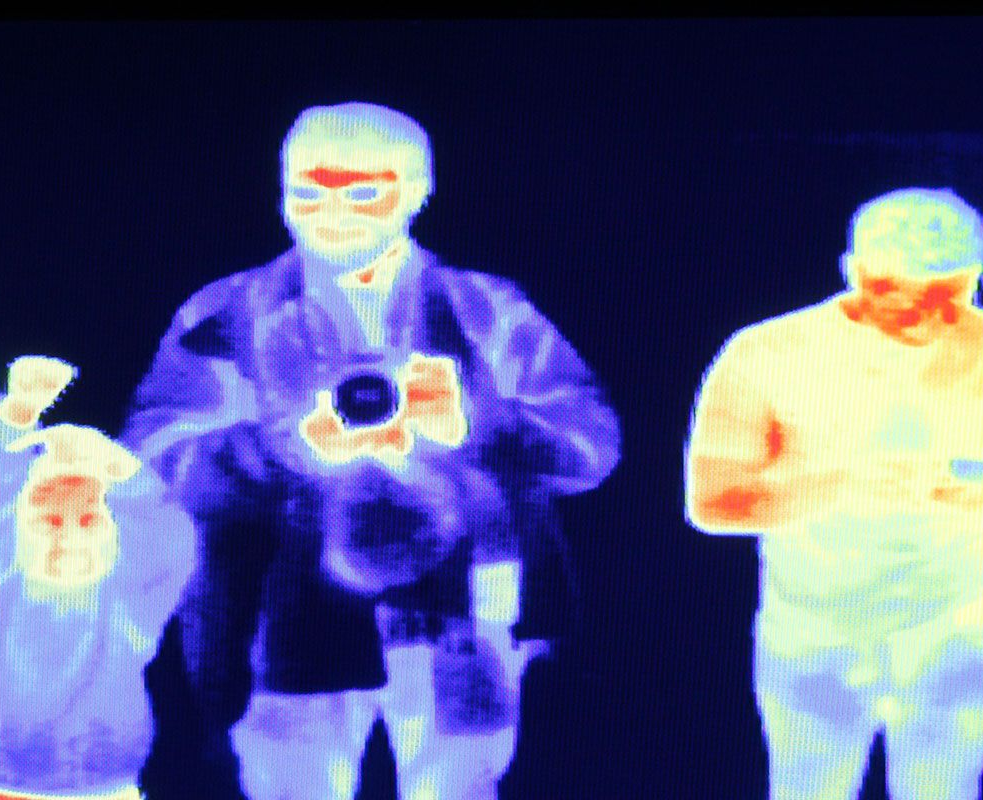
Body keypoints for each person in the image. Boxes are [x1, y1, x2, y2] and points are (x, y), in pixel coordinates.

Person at [124, 101, 620, 800]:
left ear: (418, 190)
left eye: (361, 193)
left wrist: (479, 425)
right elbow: (149, 466)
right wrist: (281, 451)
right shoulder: (227, 313)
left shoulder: (486, 309)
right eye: (307, 192)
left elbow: (592, 447)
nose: (331, 214)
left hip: (465, 611)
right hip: (284, 615)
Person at [684, 187, 983, 800]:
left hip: (957, 622)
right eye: (893, 293)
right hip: (817, 625)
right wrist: (839, 483)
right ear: (851, 270)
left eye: (949, 297)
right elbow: (712, 502)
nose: (921, 317)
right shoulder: (766, 353)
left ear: (977, 278)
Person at [0, 356, 196, 800]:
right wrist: (17, 415)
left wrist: (121, 473)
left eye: (88, 520)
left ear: (116, 536)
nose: (68, 538)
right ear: (13, 528)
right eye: (48, 519)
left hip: (96, 787)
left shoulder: (126, 607)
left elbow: (165, 545)